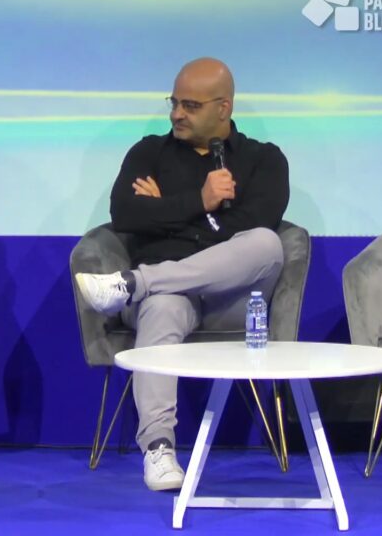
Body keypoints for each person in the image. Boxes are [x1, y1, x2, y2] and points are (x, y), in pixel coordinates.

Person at [75, 58, 288, 491]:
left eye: (190, 105)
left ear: (223, 109)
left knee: (266, 244)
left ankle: (134, 283)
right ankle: (158, 449)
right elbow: (125, 214)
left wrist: (166, 209)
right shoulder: (148, 152)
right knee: (161, 306)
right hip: (175, 301)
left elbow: (252, 227)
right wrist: (201, 201)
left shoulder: (264, 160)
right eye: (175, 102)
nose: (176, 114)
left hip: (235, 302)